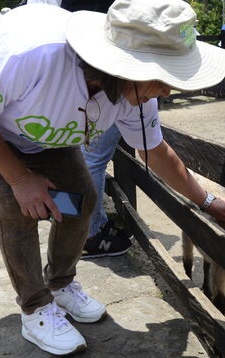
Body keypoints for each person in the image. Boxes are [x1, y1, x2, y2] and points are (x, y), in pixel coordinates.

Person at [0, 0, 225, 356]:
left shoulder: (135, 92)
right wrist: (20, 179)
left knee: (81, 199)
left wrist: (207, 200)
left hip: (46, 129)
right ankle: (35, 306)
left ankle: (60, 284)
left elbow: (156, 151)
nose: (168, 91)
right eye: (164, 77)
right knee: (16, 207)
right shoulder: (34, 53)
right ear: (125, 65)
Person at [60, 0, 131, 259]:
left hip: (87, 62)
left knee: (82, 155)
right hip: (109, 68)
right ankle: (91, 233)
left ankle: (85, 227)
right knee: (93, 159)